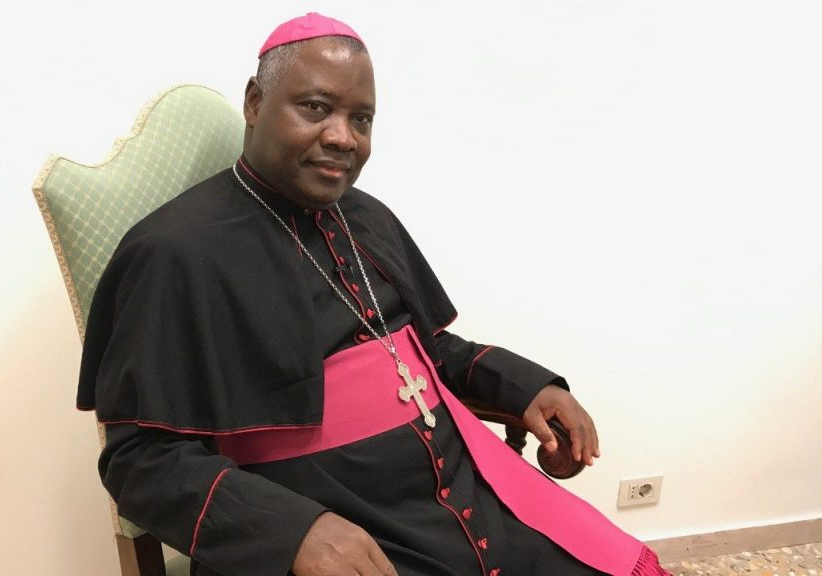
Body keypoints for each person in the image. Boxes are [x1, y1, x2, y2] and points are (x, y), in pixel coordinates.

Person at [79, 12, 670, 576]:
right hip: (334, 524)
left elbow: (428, 352)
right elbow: (141, 462)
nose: (342, 137)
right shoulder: (173, 252)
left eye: (361, 119)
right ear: (255, 102)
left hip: (459, 490)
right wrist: (294, 531)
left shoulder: (366, 217)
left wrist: (528, 386)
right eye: (315, 108)